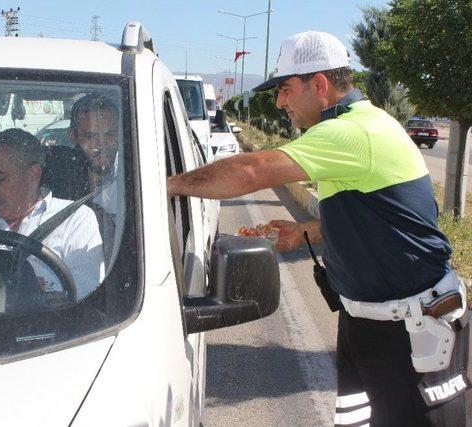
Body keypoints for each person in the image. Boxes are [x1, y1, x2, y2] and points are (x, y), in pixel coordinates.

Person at [168, 31, 469, 426]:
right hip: (367, 325)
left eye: (286, 89)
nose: (279, 103)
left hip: (410, 336)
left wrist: (166, 185)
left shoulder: (352, 131)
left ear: (320, 84)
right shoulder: (357, 128)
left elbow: (251, 170)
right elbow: (383, 214)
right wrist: (306, 231)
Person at [0, 128, 104, 301]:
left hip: (47, 325)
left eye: (1, 179)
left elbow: (86, 293)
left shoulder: (75, 220)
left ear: (33, 175)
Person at [67, 93, 120, 215]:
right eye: (91, 137)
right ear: (72, 136)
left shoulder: (136, 175)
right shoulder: (59, 181)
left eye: (110, 135)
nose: (102, 144)